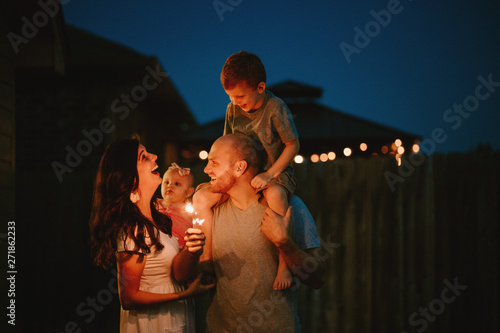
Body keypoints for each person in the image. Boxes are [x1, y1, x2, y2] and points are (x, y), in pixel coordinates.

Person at [197, 133, 325, 332]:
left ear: (239, 168)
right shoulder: (209, 212)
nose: (206, 169)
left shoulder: (291, 207)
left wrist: (284, 242)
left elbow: (317, 278)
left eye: (214, 162)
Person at [197, 50, 300, 291]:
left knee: (274, 195)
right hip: (240, 174)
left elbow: (293, 145)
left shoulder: (276, 108)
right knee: (202, 197)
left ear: (260, 87)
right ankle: (207, 259)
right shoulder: (233, 109)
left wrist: (270, 174)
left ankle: (284, 265)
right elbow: (227, 143)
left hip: (274, 171)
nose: (235, 101)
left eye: (240, 95)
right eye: (230, 96)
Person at [89, 139, 214, 333]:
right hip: (152, 325)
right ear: (131, 176)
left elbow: (175, 273)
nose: (154, 156)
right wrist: (185, 295)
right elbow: (129, 299)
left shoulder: (161, 220)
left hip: (175, 321)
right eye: (144, 157)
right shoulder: (133, 228)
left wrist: (191, 249)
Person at [157, 163, 195, 249]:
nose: (170, 185)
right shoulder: (155, 205)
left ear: (189, 192)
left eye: (177, 184)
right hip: (156, 245)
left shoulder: (189, 211)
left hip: (179, 249)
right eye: (166, 182)